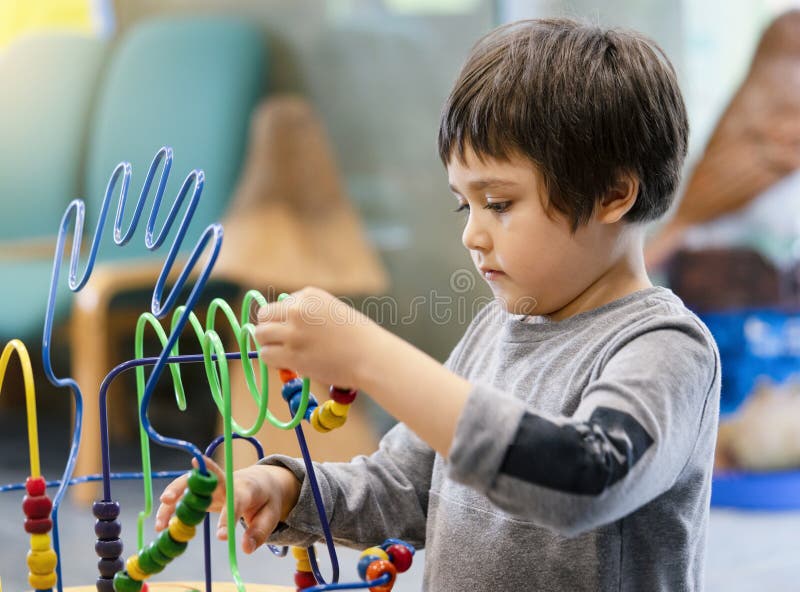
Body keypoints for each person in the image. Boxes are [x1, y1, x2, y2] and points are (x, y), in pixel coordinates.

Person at [156, 18, 720, 591]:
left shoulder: (665, 347)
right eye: (463, 206)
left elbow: (585, 478)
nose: (472, 235)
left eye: (498, 203)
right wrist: (287, 489)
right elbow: (401, 484)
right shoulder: (493, 329)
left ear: (613, 194)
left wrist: (370, 358)